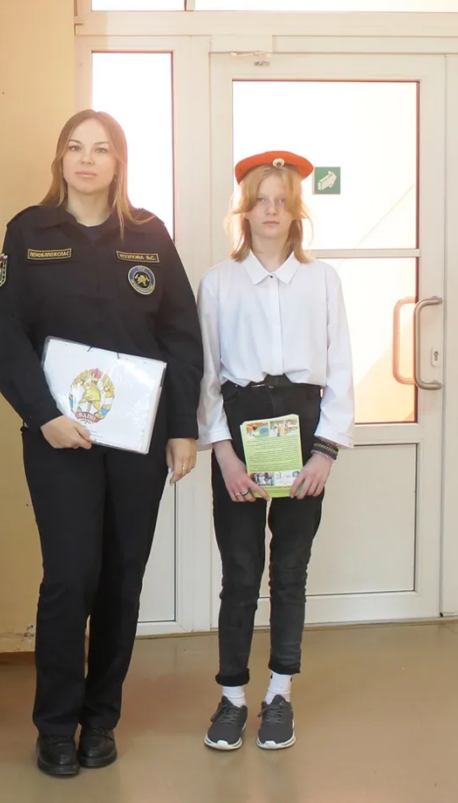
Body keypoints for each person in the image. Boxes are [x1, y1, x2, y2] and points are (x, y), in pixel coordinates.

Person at [0, 110, 203, 777]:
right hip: (61, 438)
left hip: (138, 440)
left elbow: (181, 335)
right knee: (69, 576)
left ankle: (100, 718)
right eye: (75, 147)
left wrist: (182, 427)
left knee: (121, 577)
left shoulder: (149, 234)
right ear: (60, 159)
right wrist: (44, 415)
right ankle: (55, 725)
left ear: (118, 162)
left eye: (100, 148)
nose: (86, 159)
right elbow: (7, 336)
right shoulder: (29, 231)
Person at [197, 151, 354, 752]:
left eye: (281, 201)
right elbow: (206, 375)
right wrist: (224, 454)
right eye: (260, 200)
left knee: (290, 570)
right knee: (240, 572)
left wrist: (325, 451)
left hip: (303, 427)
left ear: (295, 213)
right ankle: (233, 696)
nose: (271, 210)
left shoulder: (322, 280)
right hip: (240, 431)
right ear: (244, 209)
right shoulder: (218, 281)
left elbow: (340, 367)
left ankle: (280, 692)